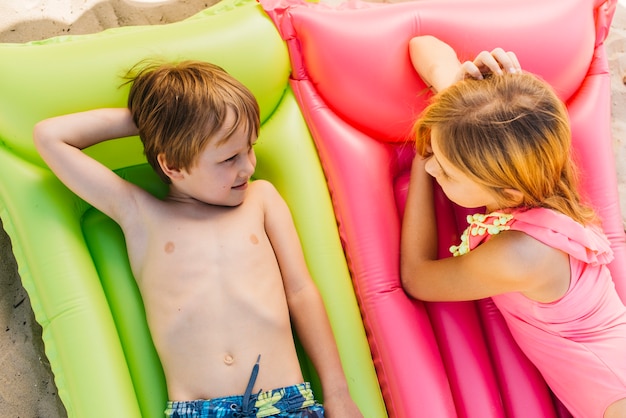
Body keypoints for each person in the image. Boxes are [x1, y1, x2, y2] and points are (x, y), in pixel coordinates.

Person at [34, 60, 362, 418]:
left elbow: (300, 292)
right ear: (172, 165)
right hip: (197, 410)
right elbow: (50, 137)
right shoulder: (142, 216)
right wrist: (155, 119)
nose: (248, 166)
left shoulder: (261, 201)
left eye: (249, 148)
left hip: (284, 403)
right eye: (229, 158)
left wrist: (338, 393)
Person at [401, 35, 626, 418]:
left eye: (448, 172)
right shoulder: (531, 164)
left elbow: (417, 278)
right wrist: (469, 89)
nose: (437, 168)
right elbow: (423, 45)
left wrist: (421, 167)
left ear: (504, 186)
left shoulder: (520, 253)